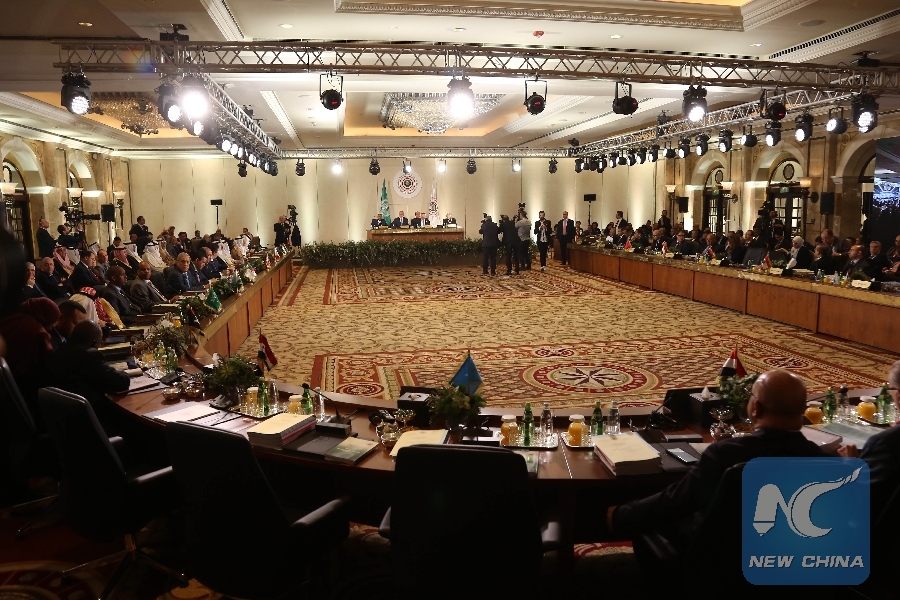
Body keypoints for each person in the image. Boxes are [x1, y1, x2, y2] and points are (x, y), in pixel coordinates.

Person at [607, 369, 827, 553]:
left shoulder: (726, 455)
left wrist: (621, 515)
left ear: (756, 408)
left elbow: (676, 502)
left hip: (720, 563)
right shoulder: (827, 462)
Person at [838, 360, 900, 518]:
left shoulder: (885, 444)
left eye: (891, 390)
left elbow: (859, 504)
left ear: (899, 396)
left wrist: (852, 466)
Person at [41, 320, 131, 426]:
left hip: (61, 419)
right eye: (100, 343)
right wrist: (124, 372)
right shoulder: (89, 356)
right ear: (93, 343)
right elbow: (121, 382)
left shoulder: (60, 349)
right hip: (88, 421)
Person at [0, 298, 60, 411]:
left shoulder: (12, 317)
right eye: (53, 322)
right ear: (45, 316)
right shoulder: (39, 334)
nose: (54, 326)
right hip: (17, 387)